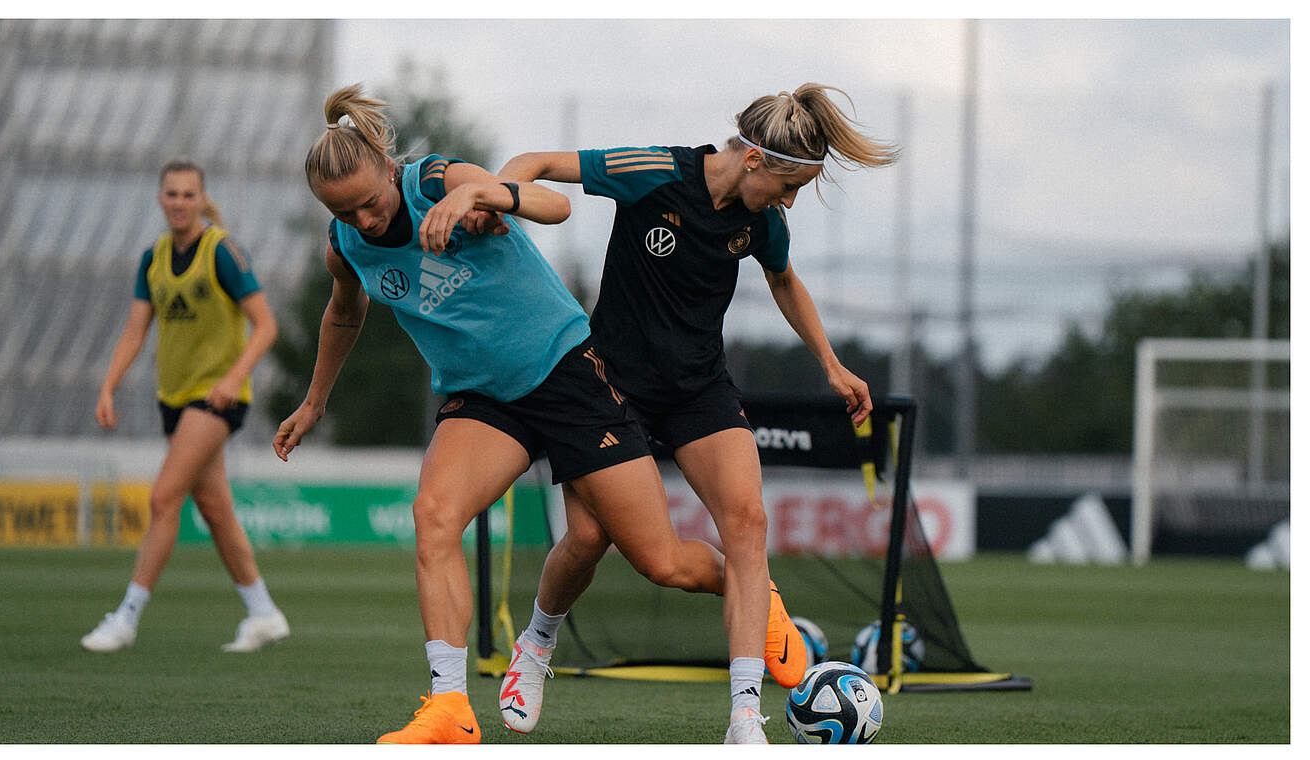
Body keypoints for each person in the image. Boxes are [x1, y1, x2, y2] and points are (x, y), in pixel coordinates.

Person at [271, 84, 799, 745]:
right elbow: (344, 311)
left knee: (658, 561)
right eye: (345, 212)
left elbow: (552, 203)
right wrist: (315, 400)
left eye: (371, 202)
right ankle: (449, 708)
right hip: (482, 397)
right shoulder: (347, 243)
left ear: (387, 168)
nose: (367, 221)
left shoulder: (436, 180)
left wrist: (484, 194)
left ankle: (754, 593)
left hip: (566, 372)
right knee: (433, 514)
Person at [497, 82, 897, 742]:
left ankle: (745, 718)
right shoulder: (653, 172)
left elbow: (782, 277)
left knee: (748, 522)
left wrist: (831, 364)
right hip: (609, 389)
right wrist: (496, 207)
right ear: (752, 162)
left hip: (699, 389)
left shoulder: (763, 218)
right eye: (788, 186)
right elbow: (536, 163)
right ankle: (537, 645)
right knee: (600, 545)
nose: (789, 203)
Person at [83, 159, 288, 654]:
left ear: (201, 199)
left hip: (216, 398)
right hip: (174, 399)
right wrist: (108, 385)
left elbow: (265, 325)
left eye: (188, 194)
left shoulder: (221, 251)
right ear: (160, 198)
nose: (178, 202)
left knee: (163, 498)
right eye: (171, 194)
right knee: (215, 508)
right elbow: (136, 330)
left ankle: (126, 617)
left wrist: (233, 378)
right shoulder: (152, 258)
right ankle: (264, 613)